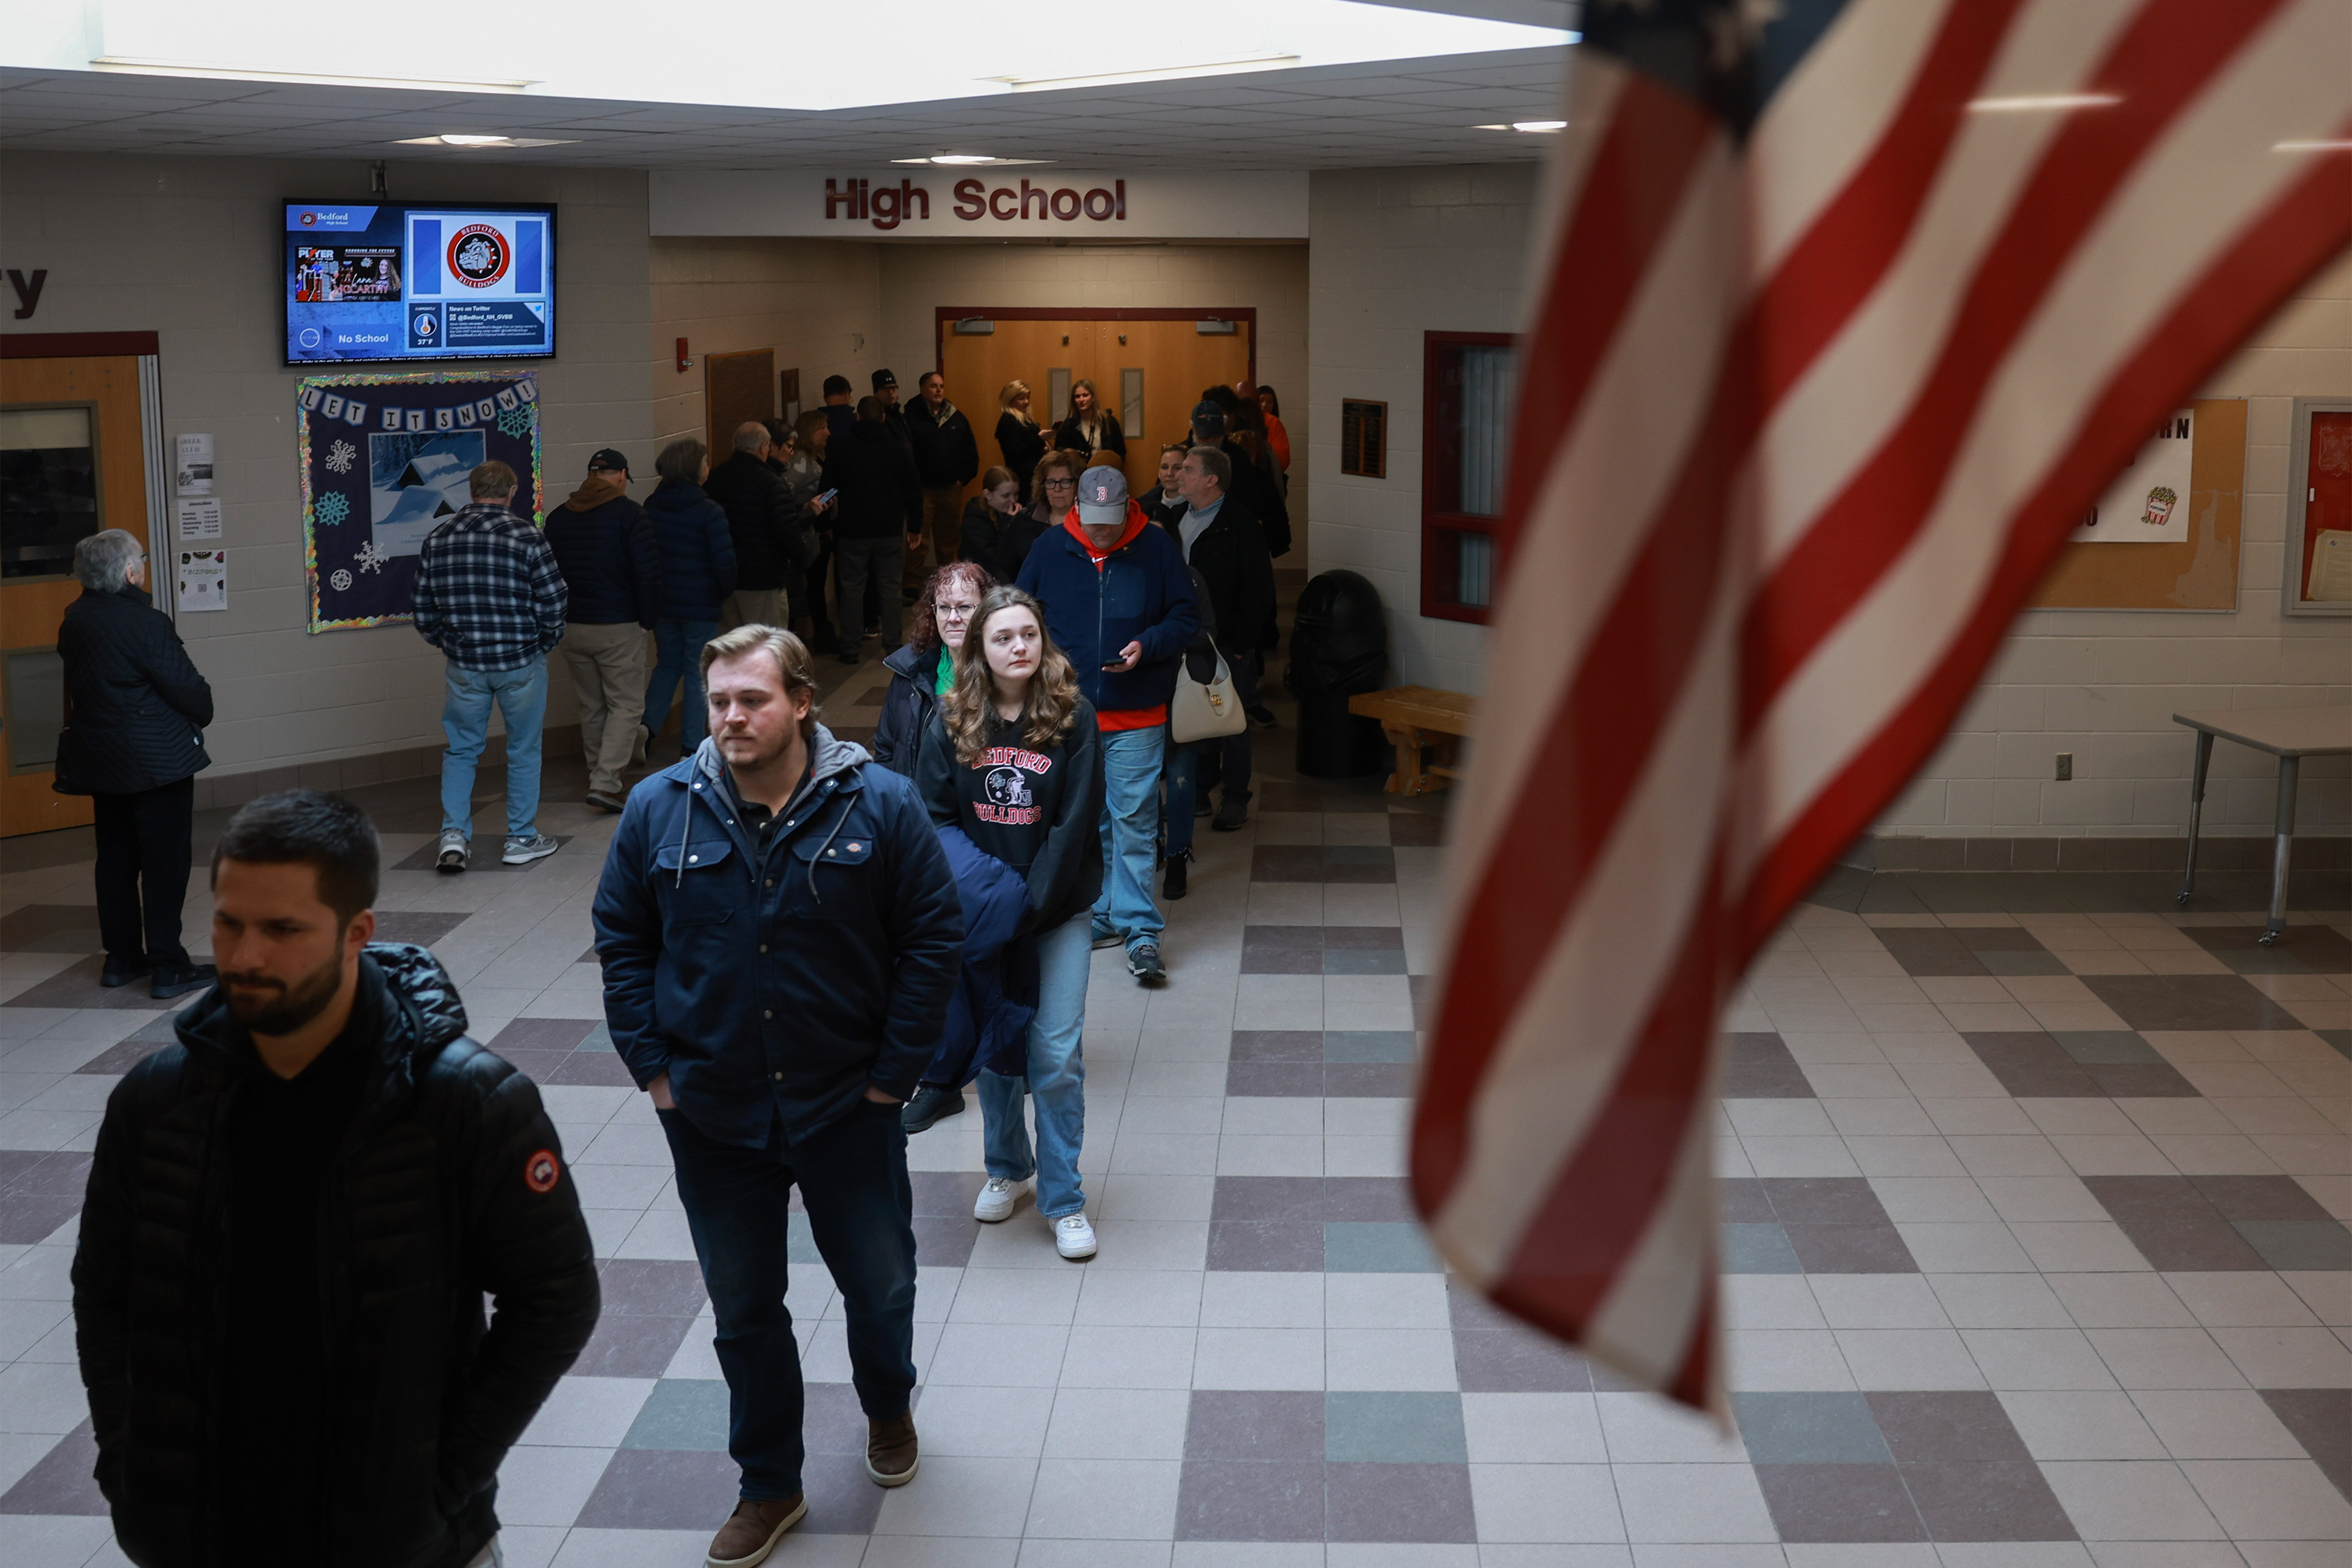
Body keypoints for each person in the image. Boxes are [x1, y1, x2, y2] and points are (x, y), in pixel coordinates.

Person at [74, 789, 600, 1568]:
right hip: (201, 1538)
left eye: (283, 929)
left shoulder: (467, 1103)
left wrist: (437, 1484)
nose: (244, 956)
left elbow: (556, 1299)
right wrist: (129, 1465)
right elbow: (106, 1292)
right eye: (228, 922)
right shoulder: (155, 1102)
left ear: (358, 933)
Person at [592, 626, 961, 1568]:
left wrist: (895, 1075)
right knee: (744, 1307)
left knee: (880, 1283)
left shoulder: (881, 805)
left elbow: (930, 938)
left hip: (848, 1105)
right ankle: (770, 1485)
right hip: (713, 1112)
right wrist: (654, 1070)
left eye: (751, 700)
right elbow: (623, 939)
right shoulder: (657, 809)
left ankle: (887, 1408)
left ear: (802, 702)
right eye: (717, 702)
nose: (730, 718)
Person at [915, 586, 1104, 1257]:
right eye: (1002, 637)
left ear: (1042, 640)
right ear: (978, 648)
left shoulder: (1075, 718)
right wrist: (987, 899)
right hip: (981, 914)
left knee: (1053, 1055)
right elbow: (931, 818)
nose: (1017, 646)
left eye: (1028, 633)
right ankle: (1007, 1167)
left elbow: (1074, 826)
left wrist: (1025, 905)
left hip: (1055, 914)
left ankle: (1063, 1197)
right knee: (997, 1052)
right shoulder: (949, 721)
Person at [1016, 465, 1196, 984]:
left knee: (1135, 819)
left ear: (1126, 510)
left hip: (1138, 712)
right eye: (1092, 520)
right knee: (1091, 821)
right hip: (1069, 713)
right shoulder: (1051, 548)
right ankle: (1102, 914)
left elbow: (1186, 618)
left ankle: (1141, 931)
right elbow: (1019, 617)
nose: (1100, 531)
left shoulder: (1157, 549)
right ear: (1077, 508)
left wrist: (1149, 644)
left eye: (1109, 522)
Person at [54, 529, 216, 999]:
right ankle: (169, 966)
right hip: (156, 761)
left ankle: (121, 959)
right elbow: (189, 690)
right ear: (129, 573)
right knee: (165, 863)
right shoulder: (146, 623)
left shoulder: (75, 620)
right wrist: (201, 710)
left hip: (101, 760)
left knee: (117, 859)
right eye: (140, 559)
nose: (142, 565)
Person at [412, 460, 567, 873]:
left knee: (461, 750)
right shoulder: (527, 537)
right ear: (511, 492)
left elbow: (423, 607)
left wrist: (445, 642)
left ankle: (454, 836)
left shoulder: (439, 537)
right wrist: (544, 643)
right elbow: (554, 600)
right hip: (520, 663)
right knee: (523, 749)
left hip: (465, 665)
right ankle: (520, 838)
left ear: (472, 491)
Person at [546, 448, 658, 815]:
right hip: (618, 624)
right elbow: (646, 573)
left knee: (591, 705)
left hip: (572, 625)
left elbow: (549, 575)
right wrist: (648, 618)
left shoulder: (559, 518)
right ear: (622, 475)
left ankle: (599, 772)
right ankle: (607, 783)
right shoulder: (631, 515)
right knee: (626, 705)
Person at [1172, 445, 1276, 833]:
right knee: (1191, 714)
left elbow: (1259, 589)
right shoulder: (1176, 518)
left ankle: (1235, 798)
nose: (1178, 475)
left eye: (1187, 469)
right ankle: (1199, 789)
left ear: (1211, 479)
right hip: (1187, 637)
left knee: (1230, 720)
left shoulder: (1240, 523)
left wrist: (1240, 642)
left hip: (1228, 642)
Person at [640, 439, 737, 764]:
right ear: (694, 469)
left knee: (667, 665)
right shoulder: (709, 511)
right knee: (698, 673)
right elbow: (723, 563)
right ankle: (691, 747)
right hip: (700, 605)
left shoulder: (650, 507)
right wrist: (723, 591)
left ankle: (647, 727)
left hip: (663, 605)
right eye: (705, 462)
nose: (708, 466)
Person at [828, 396, 924, 666]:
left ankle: (850, 648)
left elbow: (829, 490)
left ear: (858, 418)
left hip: (851, 531)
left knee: (852, 590)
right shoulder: (898, 449)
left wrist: (827, 526)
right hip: (889, 530)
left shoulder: (841, 449)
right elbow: (913, 491)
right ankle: (893, 646)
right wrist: (915, 527)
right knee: (891, 588)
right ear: (883, 418)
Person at [873, 560, 991, 775]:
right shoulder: (909, 669)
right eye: (944, 608)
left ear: (987, 611)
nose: (953, 618)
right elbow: (885, 749)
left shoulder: (1002, 672)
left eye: (964, 607)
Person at [706, 421, 813, 633]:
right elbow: (786, 530)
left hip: (726, 576)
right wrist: (803, 557)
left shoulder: (715, 478)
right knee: (767, 645)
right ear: (765, 447)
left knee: (733, 649)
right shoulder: (771, 482)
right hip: (763, 577)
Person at [903, 370, 979, 598]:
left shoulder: (955, 416)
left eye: (941, 386)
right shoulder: (910, 417)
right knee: (918, 541)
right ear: (922, 389)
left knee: (949, 539)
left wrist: (961, 479)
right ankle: (912, 583)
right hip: (922, 490)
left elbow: (969, 451)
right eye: (933, 386)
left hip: (950, 489)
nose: (938, 390)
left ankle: (947, 581)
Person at [791, 410, 838, 649]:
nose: (828, 433)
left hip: (820, 532)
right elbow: (788, 496)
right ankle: (818, 633)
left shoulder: (818, 456)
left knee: (817, 584)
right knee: (812, 586)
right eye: (823, 428)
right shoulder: (800, 461)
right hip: (808, 535)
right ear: (810, 431)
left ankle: (822, 630)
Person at [957, 465, 1044, 587]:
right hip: (979, 583)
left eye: (1016, 494)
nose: (1013, 500)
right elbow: (995, 560)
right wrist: (1009, 523)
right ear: (988, 494)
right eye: (1006, 496)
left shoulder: (1014, 516)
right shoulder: (973, 522)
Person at [994, 380, 1046, 500]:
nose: (1026, 402)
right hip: (1022, 478)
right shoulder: (1008, 421)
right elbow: (1015, 453)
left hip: (1034, 476)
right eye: (1021, 399)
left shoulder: (1027, 419)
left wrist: (1044, 445)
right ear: (1010, 399)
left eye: (1027, 398)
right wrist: (1039, 439)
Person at [1051, 378, 1125, 461]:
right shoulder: (1069, 424)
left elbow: (1120, 452)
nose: (1081, 400)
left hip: (1104, 470)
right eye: (1077, 397)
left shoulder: (1108, 422)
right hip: (1078, 472)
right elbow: (1059, 453)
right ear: (1074, 400)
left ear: (1093, 398)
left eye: (1085, 395)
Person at [1140, 442, 1189, 527]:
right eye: (1165, 467)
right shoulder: (1144, 505)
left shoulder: (1196, 507)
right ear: (1159, 473)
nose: (1170, 473)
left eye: (1177, 468)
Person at [1254, 383, 1292, 474]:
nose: (1264, 405)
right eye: (1261, 400)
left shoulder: (1274, 424)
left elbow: (1283, 459)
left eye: (1269, 402)